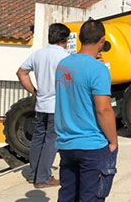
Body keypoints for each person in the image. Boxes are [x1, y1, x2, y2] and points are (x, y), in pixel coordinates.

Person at [55, 19, 117, 201]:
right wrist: (113, 141)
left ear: (80, 38)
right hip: (92, 145)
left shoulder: (63, 65)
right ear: (102, 40)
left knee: (67, 195)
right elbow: (103, 109)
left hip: (66, 143)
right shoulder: (98, 69)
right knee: (91, 197)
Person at [17, 23, 71, 187]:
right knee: (51, 141)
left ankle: (34, 174)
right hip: (57, 105)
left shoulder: (38, 54)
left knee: (38, 139)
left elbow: (21, 72)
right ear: (65, 39)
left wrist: (34, 90)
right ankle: (43, 177)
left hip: (41, 104)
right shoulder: (65, 57)